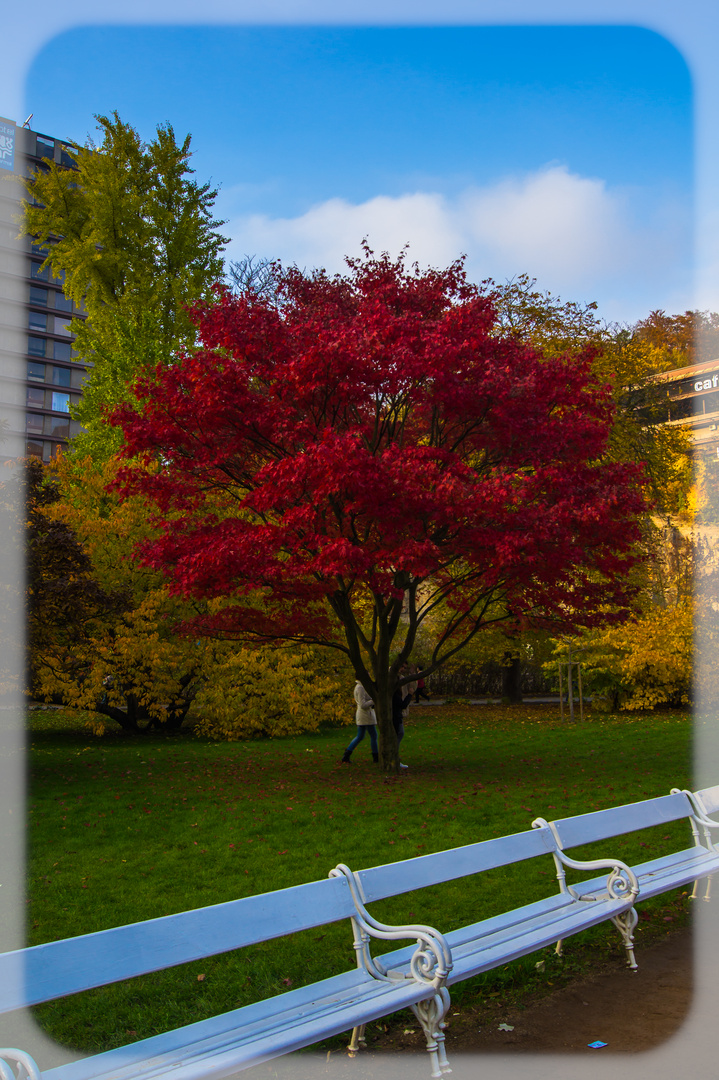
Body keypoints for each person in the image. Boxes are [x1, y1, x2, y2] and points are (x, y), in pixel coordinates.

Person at [341, 681, 379, 763]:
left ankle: (347, 754)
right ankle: (376, 756)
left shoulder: (362, 687)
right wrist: (373, 700)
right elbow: (363, 705)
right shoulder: (360, 688)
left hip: (365, 715)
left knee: (361, 736)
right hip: (365, 715)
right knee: (373, 735)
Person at [392, 679, 413, 769]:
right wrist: (410, 695)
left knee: (399, 734)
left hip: (396, 716)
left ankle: (394, 756)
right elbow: (402, 705)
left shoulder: (393, 694)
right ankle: (394, 757)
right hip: (396, 717)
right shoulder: (395, 695)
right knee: (399, 734)